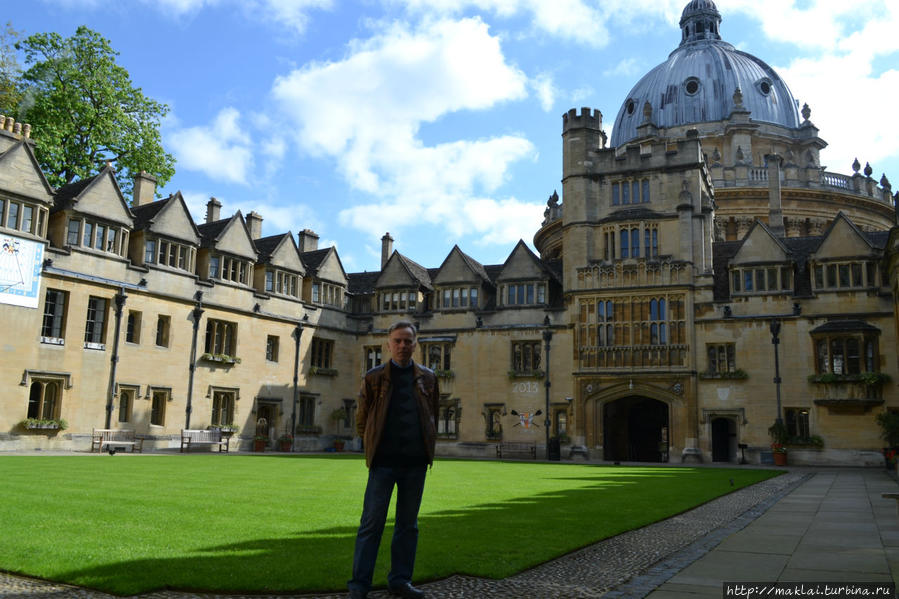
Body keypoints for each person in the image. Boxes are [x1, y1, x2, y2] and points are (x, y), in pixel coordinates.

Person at [348, 320, 439, 599]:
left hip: (415, 463)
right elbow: (362, 420)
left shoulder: (428, 378)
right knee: (371, 524)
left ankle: (400, 580)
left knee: (407, 526)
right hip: (383, 464)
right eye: (397, 341)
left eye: (407, 341)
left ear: (415, 344)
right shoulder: (374, 378)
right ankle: (359, 585)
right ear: (388, 344)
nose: (402, 346)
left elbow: (432, 415)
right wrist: (373, 448)